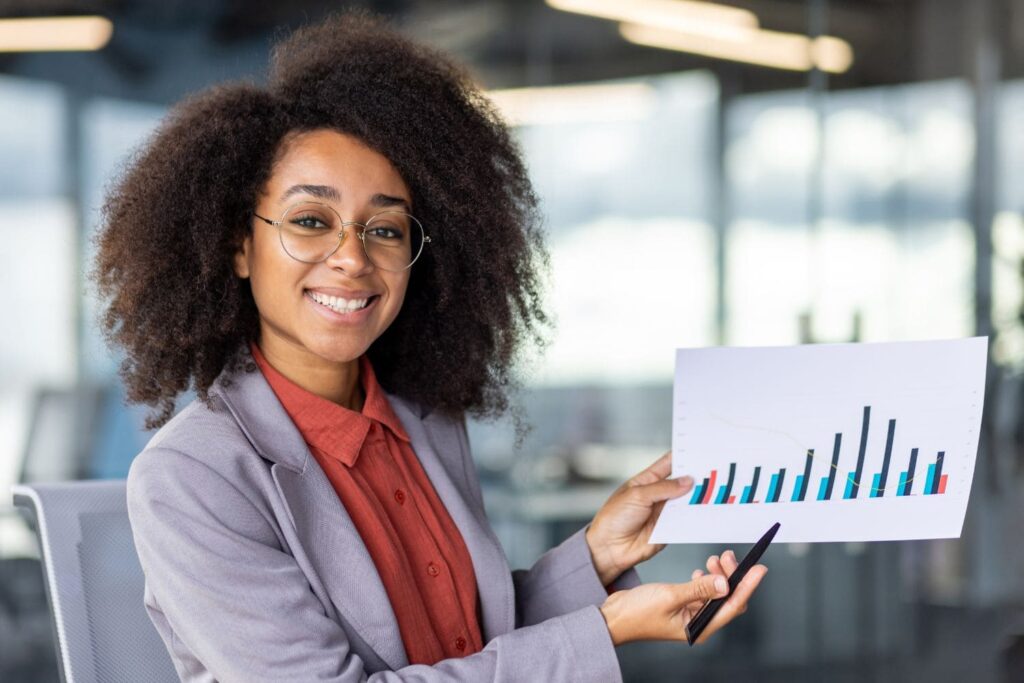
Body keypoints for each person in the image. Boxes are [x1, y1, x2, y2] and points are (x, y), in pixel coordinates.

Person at [90, 10, 767, 682]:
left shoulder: (424, 420)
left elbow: (469, 641)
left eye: (384, 229)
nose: (351, 258)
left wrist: (596, 556)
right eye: (310, 221)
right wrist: (606, 628)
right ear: (238, 245)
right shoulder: (193, 477)